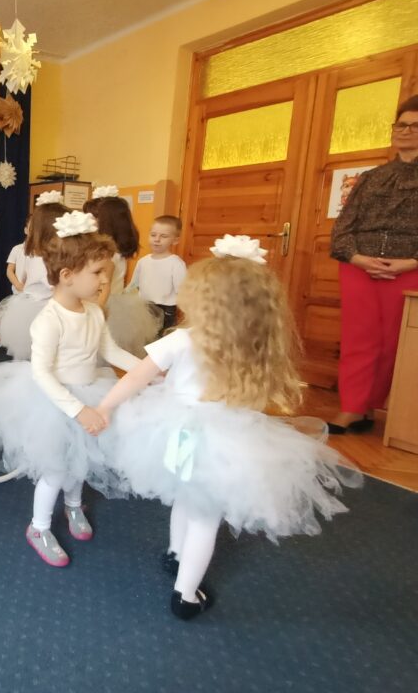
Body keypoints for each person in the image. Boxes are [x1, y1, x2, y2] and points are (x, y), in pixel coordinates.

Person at [96, 236, 361, 620]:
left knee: (185, 497)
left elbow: (136, 377)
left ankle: (179, 567)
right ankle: (185, 588)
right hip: (225, 441)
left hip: (174, 432)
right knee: (204, 514)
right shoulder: (253, 346)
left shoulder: (183, 339)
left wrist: (106, 406)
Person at [0, 210, 139, 567]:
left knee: (82, 458)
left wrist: (146, 371)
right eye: (97, 273)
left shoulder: (94, 312)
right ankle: (39, 527)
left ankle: (74, 505)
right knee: (55, 469)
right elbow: (42, 373)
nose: (104, 281)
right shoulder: (49, 320)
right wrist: (78, 410)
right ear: (67, 275)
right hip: (56, 402)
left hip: (91, 389)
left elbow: (110, 351)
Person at [327, 95, 418, 434]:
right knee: (358, 339)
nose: (406, 131)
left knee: (395, 344)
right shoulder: (369, 178)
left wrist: (408, 263)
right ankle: (351, 407)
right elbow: (343, 229)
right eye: (401, 125)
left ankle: (370, 406)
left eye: (415, 126)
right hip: (359, 267)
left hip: (408, 269)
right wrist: (358, 258)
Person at [0, 191, 67, 360]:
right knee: (40, 355)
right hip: (39, 308)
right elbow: (52, 284)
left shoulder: (44, 253)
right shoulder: (41, 256)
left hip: (46, 306)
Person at [84, 192, 162, 356]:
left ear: (106, 221)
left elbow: (103, 286)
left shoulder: (108, 255)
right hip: (118, 301)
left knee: (102, 348)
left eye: (96, 217)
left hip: (106, 303)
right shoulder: (118, 250)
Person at [127, 215, 187, 334]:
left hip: (166, 311)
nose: (157, 239)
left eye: (163, 236)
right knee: (143, 337)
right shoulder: (143, 262)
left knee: (161, 339)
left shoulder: (176, 264)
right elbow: (133, 285)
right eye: (153, 235)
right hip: (143, 307)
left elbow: (183, 291)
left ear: (175, 240)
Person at [4, 216, 32, 295]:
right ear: (26, 230)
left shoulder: (42, 251)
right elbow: (9, 270)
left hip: (36, 292)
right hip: (19, 292)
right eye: (31, 228)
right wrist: (17, 285)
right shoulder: (17, 249)